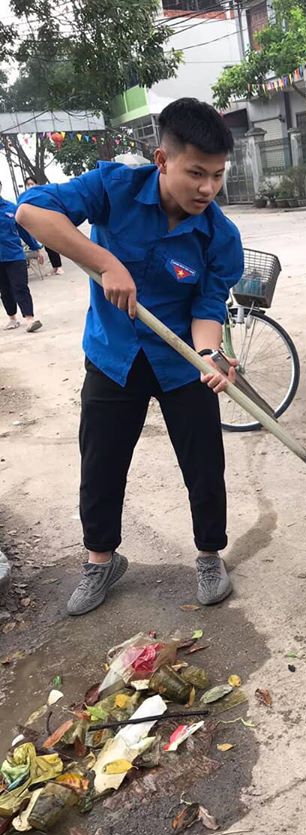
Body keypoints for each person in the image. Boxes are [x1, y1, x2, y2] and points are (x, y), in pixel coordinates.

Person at [16, 98, 244, 615]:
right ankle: (101, 560)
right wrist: (104, 261)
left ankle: (209, 553)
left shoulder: (219, 235)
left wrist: (209, 354)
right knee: (101, 462)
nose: (207, 188)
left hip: (180, 359)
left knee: (204, 461)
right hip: (113, 355)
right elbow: (32, 210)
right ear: (162, 161)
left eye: (217, 175)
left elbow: (208, 306)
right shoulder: (113, 188)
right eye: (195, 173)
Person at [0, 183, 44, 332]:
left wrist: (36, 248)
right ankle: (12, 318)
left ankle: (30, 319)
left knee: (20, 286)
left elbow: (24, 231)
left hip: (14, 255)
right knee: (4, 290)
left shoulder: (11, 208)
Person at [24, 177, 64, 274]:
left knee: (52, 245)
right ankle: (55, 267)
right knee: (47, 246)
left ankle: (58, 267)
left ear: (36, 184)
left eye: (32, 183)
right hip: (38, 224)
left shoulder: (41, 194)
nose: (30, 186)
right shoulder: (27, 197)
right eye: (28, 184)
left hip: (47, 222)